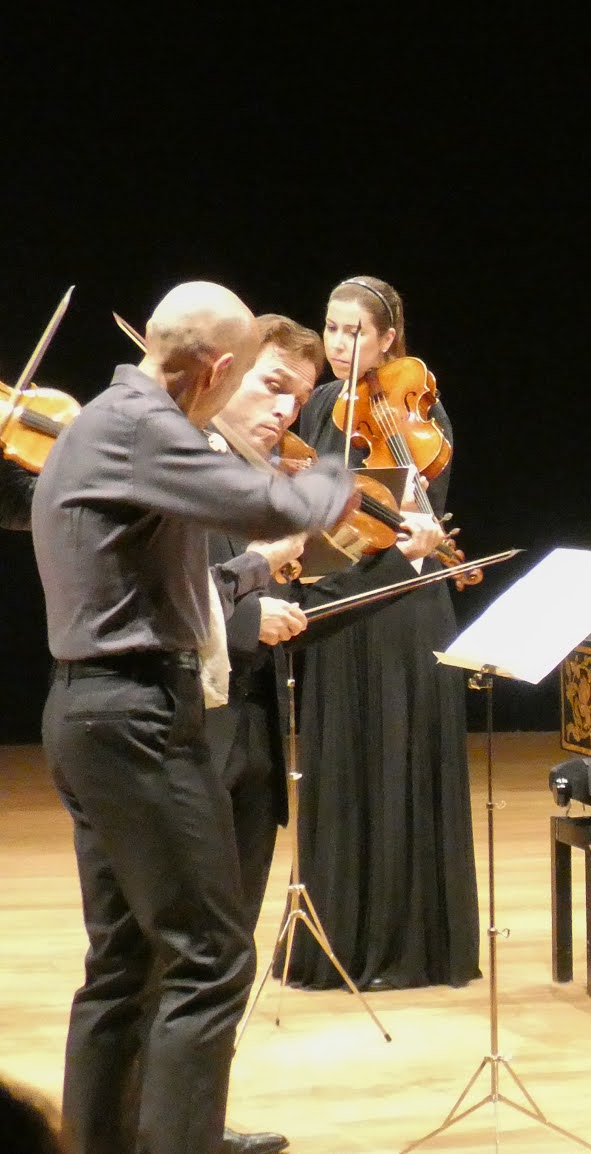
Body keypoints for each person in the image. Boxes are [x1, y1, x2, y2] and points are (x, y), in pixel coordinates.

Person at [34, 282, 355, 1154]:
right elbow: (286, 505)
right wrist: (334, 459)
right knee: (212, 960)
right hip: (136, 715)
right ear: (217, 368)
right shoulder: (144, 427)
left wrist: (253, 567)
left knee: (127, 962)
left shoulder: (108, 420)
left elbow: (187, 578)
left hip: (90, 712)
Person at [283, 275, 480, 990]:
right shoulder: (314, 407)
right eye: (332, 329)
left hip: (401, 602)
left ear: (389, 337)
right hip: (339, 602)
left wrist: (413, 516)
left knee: (398, 758)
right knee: (341, 763)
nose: (340, 344)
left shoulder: (419, 415)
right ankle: (338, 935)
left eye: (355, 331)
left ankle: (409, 944)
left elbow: (419, 515)